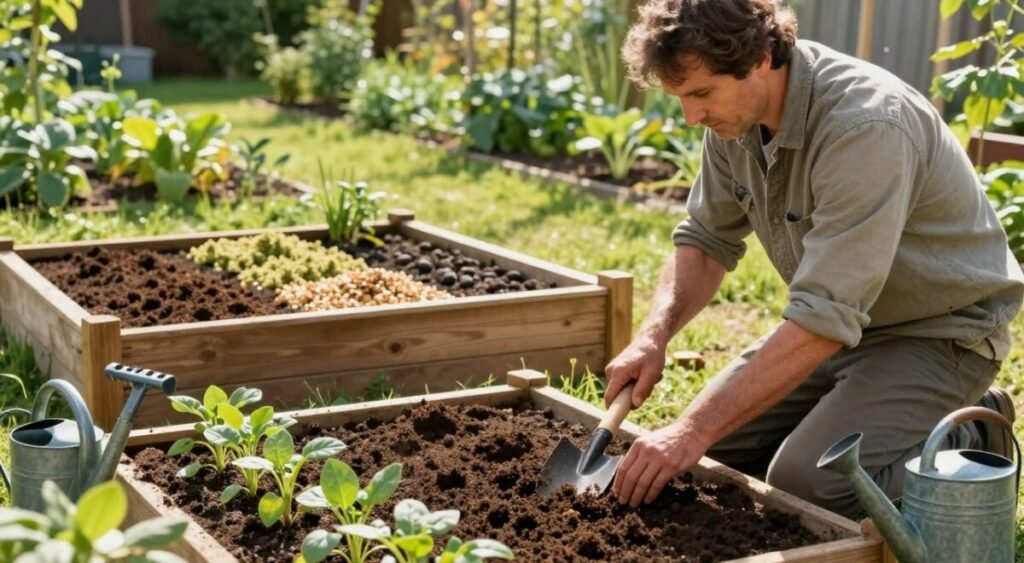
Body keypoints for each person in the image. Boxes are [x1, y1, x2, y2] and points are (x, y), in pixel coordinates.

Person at [605, 0, 1024, 518]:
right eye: (681, 98)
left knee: (808, 483)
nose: (692, 117)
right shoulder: (735, 120)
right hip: (842, 324)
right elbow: (707, 240)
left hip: (939, 332)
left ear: (760, 58)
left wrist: (690, 430)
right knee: (712, 456)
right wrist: (654, 335)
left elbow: (824, 314)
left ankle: (970, 429)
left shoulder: (865, 126)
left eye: (701, 93)